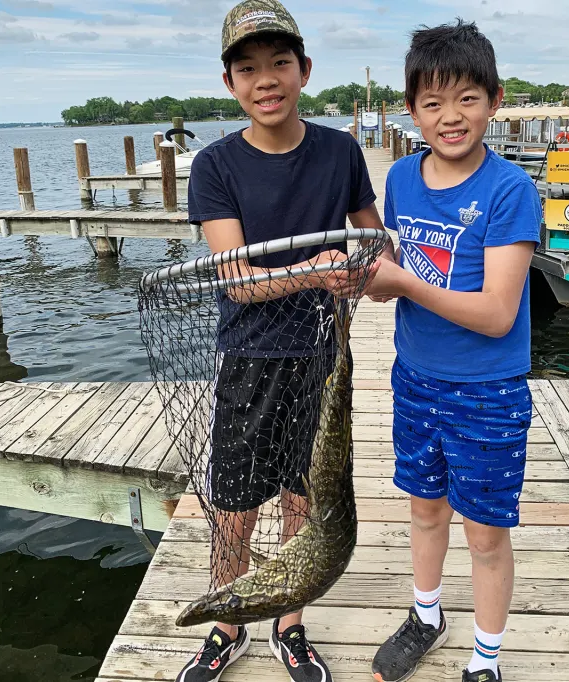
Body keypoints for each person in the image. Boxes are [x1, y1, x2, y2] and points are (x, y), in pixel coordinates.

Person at [175, 3, 385, 682]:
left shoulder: (341, 151)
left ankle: (288, 620)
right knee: (234, 503)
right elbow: (237, 280)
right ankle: (226, 623)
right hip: (249, 358)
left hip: (323, 357)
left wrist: (374, 269)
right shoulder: (214, 165)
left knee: (306, 495)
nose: (265, 79)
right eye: (248, 68)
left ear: (304, 71)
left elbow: (371, 234)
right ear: (231, 83)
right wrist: (317, 270)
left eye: (279, 64)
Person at [363, 19, 543, 682]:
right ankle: (427, 615)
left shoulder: (509, 191)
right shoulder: (403, 180)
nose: (450, 116)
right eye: (432, 103)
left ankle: (486, 660)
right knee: (424, 508)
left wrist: (403, 280)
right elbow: (398, 278)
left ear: (495, 101)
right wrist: (366, 276)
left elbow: (498, 314)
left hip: (487, 391)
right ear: (410, 112)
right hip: (414, 379)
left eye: (467, 98)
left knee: (487, 534)